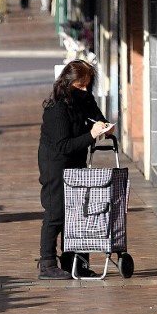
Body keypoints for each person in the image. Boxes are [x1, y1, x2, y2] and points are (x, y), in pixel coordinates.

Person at [36, 59, 113, 280]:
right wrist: (91, 135)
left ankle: (76, 262)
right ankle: (47, 263)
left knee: (78, 211)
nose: (84, 90)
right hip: (56, 162)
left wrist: (105, 127)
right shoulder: (57, 109)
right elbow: (63, 145)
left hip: (77, 160)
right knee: (56, 212)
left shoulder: (86, 100)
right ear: (67, 83)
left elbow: (97, 117)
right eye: (79, 86)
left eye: (87, 86)